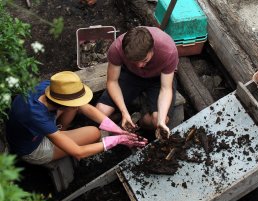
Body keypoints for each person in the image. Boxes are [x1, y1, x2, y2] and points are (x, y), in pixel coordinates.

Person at [6, 71, 147, 165]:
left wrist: (116, 130)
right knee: (94, 133)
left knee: (77, 106)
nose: (77, 106)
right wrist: (116, 140)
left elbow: (85, 107)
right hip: (32, 149)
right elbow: (78, 152)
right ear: (63, 105)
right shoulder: (37, 116)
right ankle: (60, 136)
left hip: (36, 129)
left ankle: (62, 131)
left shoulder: (50, 88)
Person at [96, 26, 179, 139]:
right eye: (135, 62)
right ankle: (124, 116)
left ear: (152, 49)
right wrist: (124, 112)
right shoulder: (117, 48)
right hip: (131, 75)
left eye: (145, 60)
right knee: (101, 111)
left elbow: (166, 88)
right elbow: (112, 82)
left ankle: (140, 122)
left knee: (157, 121)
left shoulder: (168, 51)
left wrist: (161, 121)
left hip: (158, 78)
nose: (140, 66)